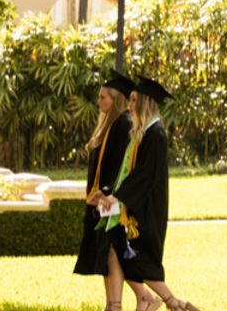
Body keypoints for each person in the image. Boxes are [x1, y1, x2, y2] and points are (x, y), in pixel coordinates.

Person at [102, 77, 198, 311]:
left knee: (138, 260)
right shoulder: (143, 132)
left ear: (144, 102)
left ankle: (173, 302)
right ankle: (167, 304)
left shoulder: (156, 134)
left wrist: (121, 196)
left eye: (134, 100)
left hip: (146, 208)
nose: (129, 105)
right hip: (136, 204)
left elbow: (145, 175)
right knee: (121, 253)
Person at [77, 74, 144, 310]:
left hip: (113, 201)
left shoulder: (124, 124)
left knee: (114, 253)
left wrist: (105, 193)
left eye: (103, 97)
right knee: (108, 254)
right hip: (103, 200)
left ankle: (143, 296)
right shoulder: (110, 124)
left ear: (115, 99)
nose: (99, 101)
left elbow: (120, 167)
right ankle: (114, 304)